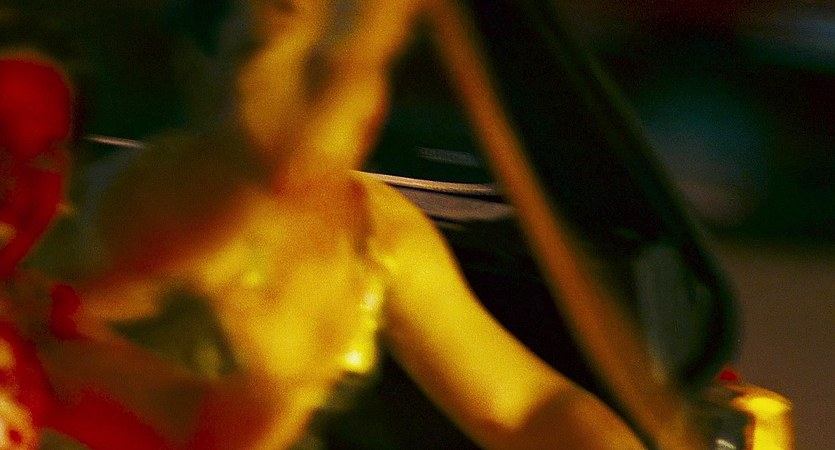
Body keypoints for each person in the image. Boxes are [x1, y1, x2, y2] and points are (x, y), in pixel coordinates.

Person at [16, 1, 646, 449]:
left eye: (364, 68)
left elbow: (526, 408)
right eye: (298, 62)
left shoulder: (373, 226)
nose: (343, 97)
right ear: (200, 74)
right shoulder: (138, 207)